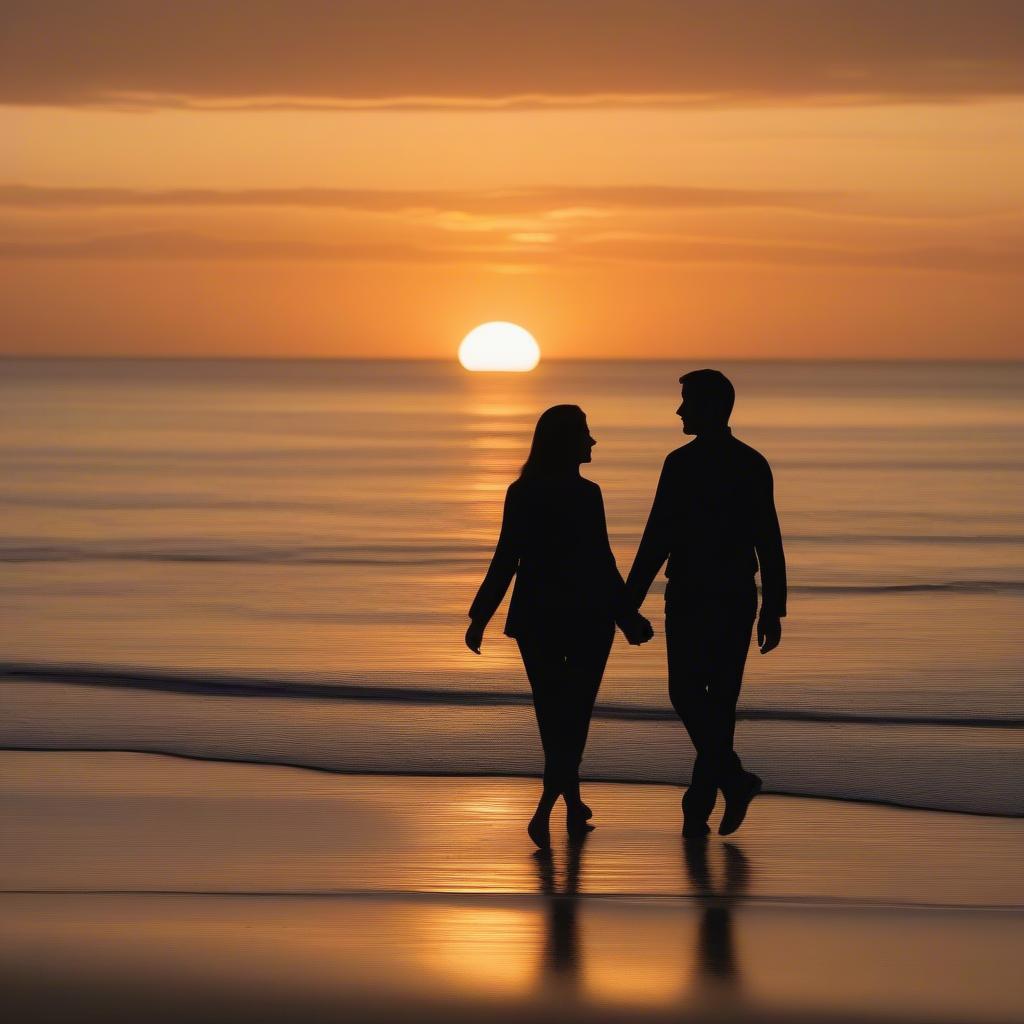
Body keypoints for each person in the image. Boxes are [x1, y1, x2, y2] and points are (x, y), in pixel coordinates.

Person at [466, 405, 653, 848]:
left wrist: (480, 618)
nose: (593, 442)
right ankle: (545, 811)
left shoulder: (522, 491)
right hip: (588, 618)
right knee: (575, 716)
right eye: (586, 434)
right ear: (567, 441)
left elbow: (505, 559)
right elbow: (601, 562)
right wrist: (627, 616)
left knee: (553, 716)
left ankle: (572, 803)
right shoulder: (587, 495)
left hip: (537, 619)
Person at [626, 370, 786, 837]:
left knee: (695, 696)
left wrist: (773, 608)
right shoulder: (740, 462)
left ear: (712, 407)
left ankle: (719, 790)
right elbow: (660, 536)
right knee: (714, 702)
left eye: (687, 402)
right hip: (719, 594)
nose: (679, 411)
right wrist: (772, 605)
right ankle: (706, 800)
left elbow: (658, 538)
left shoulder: (704, 464)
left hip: (709, 594)